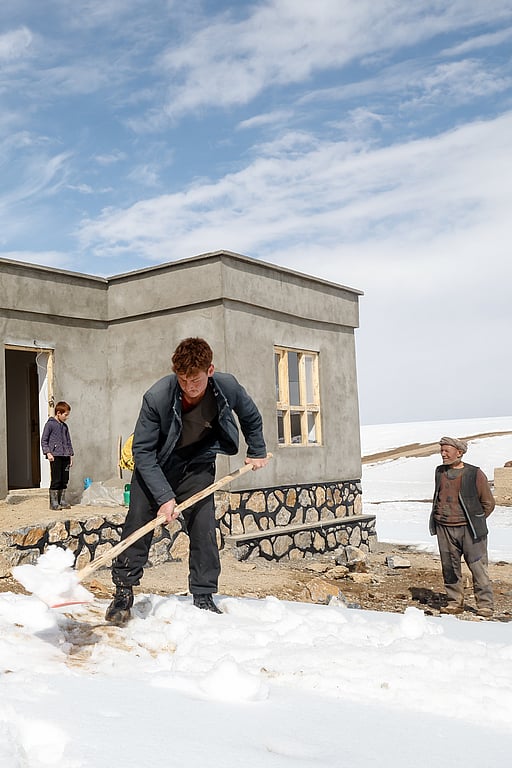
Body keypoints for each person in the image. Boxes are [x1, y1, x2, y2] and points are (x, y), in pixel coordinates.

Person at [106, 337, 269, 624]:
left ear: (210, 371)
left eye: (195, 380)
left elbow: (250, 416)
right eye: (182, 380)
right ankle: (123, 592)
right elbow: (142, 451)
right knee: (138, 523)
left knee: (204, 525)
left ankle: (204, 595)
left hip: (197, 465)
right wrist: (164, 497)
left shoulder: (226, 386)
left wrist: (256, 450)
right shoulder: (157, 396)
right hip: (156, 466)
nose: (189, 387)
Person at [429, 436, 495, 618]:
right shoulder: (440, 472)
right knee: (449, 567)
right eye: (441, 450)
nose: (443, 454)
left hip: (470, 529)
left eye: (446, 451)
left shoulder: (474, 473)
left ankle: (485, 605)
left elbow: (488, 503)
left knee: (478, 567)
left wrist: (475, 520)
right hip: (444, 527)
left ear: (459, 452)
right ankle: (454, 602)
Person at [41, 401, 74, 511]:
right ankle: (54, 502)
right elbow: (44, 440)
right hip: (55, 456)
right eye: (65, 415)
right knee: (56, 478)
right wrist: (48, 452)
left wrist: (70, 455)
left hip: (65, 455)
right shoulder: (50, 424)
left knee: (65, 478)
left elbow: (68, 442)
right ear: (58, 413)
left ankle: (62, 500)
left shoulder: (65, 427)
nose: (67, 417)